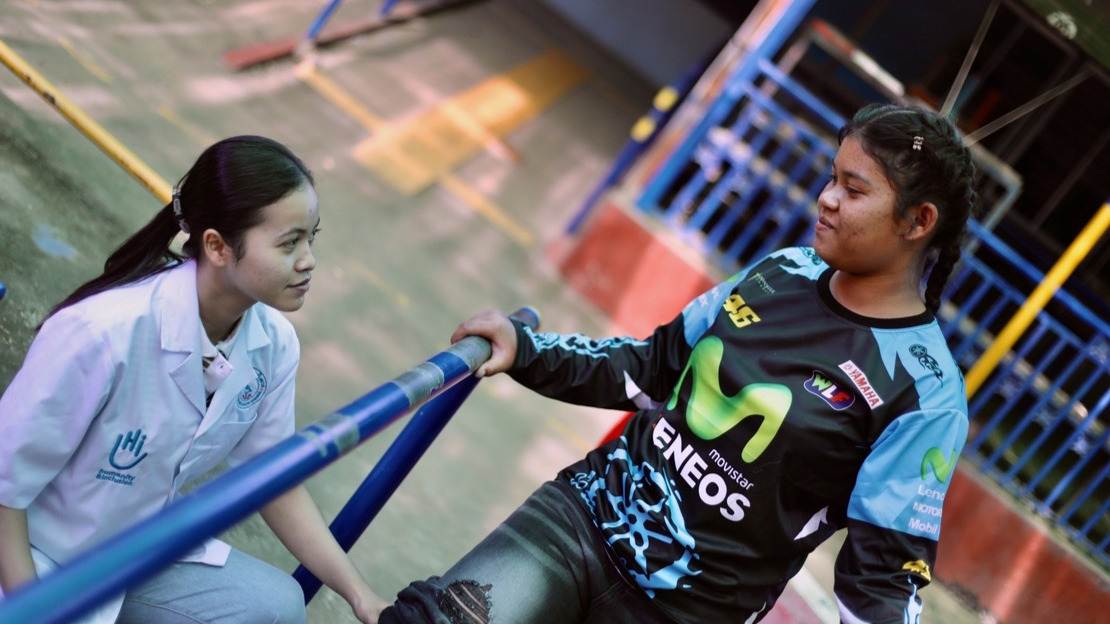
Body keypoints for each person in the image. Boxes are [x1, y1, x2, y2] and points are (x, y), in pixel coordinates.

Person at [377, 103, 978, 624]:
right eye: (831, 178)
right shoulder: (783, 271)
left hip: (691, 611)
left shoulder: (926, 394)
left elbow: (881, 580)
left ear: (918, 221)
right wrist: (527, 350)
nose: (826, 198)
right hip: (584, 517)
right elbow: (652, 367)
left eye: (854, 189)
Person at [0, 136, 376, 623]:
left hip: (131, 553)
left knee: (275, 606)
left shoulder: (274, 344)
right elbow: (4, 491)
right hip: (34, 554)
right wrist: (34, 612)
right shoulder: (101, 333)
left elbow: (272, 478)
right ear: (217, 246)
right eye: (289, 243)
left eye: (311, 238)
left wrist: (360, 595)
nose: (308, 260)